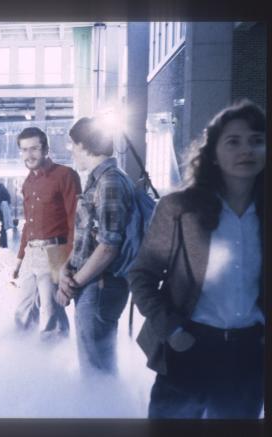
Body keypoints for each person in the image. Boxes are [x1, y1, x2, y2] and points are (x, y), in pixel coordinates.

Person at [128, 100, 265, 419]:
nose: (247, 149)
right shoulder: (179, 209)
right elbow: (142, 275)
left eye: (257, 140)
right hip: (190, 344)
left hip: (248, 353)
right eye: (233, 141)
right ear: (214, 153)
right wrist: (173, 332)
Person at [56, 117, 134, 375]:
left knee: (97, 368)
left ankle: (106, 415)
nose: (72, 151)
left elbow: (109, 245)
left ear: (85, 145)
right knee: (93, 362)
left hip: (100, 286)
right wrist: (66, 271)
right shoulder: (98, 179)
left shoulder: (110, 181)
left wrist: (73, 282)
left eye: (73, 145)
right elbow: (86, 239)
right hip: (91, 284)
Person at [12, 127, 81, 341]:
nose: (29, 155)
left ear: (46, 149)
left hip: (55, 251)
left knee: (52, 314)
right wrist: (19, 259)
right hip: (31, 252)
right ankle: (24, 360)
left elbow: (76, 222)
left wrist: (67, 263)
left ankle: (54, 366)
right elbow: (28, 225)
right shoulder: (27, 182)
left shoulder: (65, 175)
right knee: (22, 312)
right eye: (24, 150)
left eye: (34, 148)